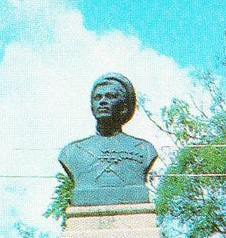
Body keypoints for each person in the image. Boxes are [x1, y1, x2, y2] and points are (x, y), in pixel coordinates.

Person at [58, 73, 158, 207]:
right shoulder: (72, 152)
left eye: (110, 96)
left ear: (124, 107)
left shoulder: (144, 149)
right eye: (97, 97)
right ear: (92, 107)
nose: (102, 101)